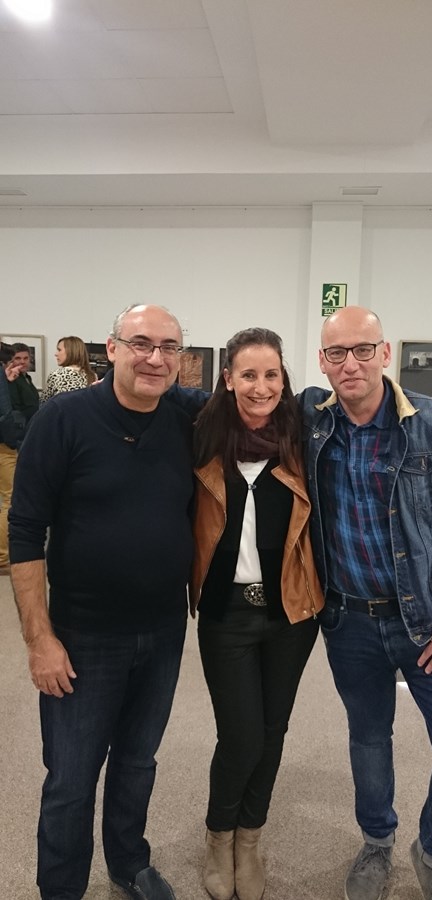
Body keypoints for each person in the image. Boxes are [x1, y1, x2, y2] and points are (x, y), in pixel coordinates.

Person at [298, 307, 432, 900]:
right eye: (337, 353)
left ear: (386, 354)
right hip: (349, 621)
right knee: (368, 739)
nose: (351, 364)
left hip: (429, 623)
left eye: (363, 349)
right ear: (322, 362)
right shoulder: (312, 421)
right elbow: (239, 395)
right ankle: (377, 841)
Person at [8, 304, 205, 900]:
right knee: (71, 778)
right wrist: (39, 639)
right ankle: (61, 888)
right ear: (111, 348)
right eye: (141, 343)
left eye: (169, 347)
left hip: (163, 631)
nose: (155, 358)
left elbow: (257, 402)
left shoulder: (186, 418)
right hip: (83, 636)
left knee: (138, 763)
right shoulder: (63, 419)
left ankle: (129, 863)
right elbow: (25, 531)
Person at [190, 327, 323, 900]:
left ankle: (249, 840)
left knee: (272, 732)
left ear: (283, 378)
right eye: (248, 374)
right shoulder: (202, 434)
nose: (261, 386)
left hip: (290, 614)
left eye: (272, 374)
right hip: (226, 614)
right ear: (228, 378)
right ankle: (218, 836)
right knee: (241, 735)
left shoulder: (302, 437)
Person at [0, 342, 39, 575]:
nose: (21, 363)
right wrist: (13, 441)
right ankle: (3, 556)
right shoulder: (8, 380)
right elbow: (8, 413)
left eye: (25, 358)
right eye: (16, 359)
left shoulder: (24, 379)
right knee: (9, 497)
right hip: (9, 441)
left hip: (17, 439)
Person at [41, 335, 97, 401]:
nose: (56, 354)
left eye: (59, 350)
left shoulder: (56, 375)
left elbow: (44, 403)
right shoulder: (92, 376)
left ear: (70, 352)